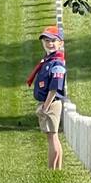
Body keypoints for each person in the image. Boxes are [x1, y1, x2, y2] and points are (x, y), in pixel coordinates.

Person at [26, 26, 66, 170]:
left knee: (52, 137)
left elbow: (54, 87)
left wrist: (45, 106)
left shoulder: (57, 63)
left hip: (51, 103)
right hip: (48, 103)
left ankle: (52, 169)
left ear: (60, 43)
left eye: (53, 41)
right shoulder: (49, 60)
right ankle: (56, 169)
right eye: (46, 40)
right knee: (52, 137)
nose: (50, 43)